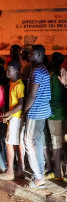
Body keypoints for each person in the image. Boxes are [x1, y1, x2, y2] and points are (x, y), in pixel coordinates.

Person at [22, 44, 52, 189]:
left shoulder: (37, 71)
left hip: (35, 111)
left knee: (30, 142)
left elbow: (32, 95)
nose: (29, 55)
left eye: (31, 53)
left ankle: (39, 178)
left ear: (39, 54)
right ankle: (39, 173)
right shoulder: (43, 69)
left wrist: (23, 111)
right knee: (36, 142)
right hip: (42, 111)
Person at [0, 61, 25, 181]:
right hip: (14, 117)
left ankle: (10, 172)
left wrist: (7, 114)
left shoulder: (19, 85)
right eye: (7, 70)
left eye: (9, 70)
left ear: (17, 71)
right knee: (16, 145)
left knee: (9, 144)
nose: (7, 72)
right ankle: (19, 171)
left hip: (16, 118)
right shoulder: (13, 83)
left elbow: (20, 105)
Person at [44, 52, 65, 180]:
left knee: (56, 143)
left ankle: (57, 173)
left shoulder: (55, 77)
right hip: (59, 112)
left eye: (51, 59)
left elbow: (55, 98)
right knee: (57, 142)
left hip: (55, 113)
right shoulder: (59, 75)